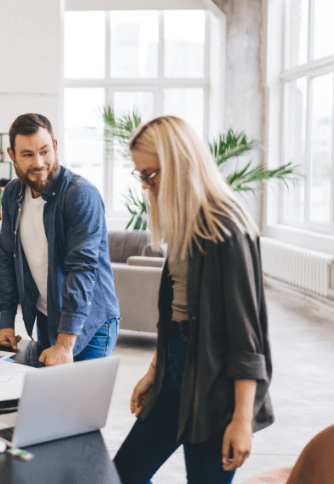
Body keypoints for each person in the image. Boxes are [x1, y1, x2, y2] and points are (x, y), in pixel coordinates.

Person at [113, 116, 273, 483]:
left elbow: (247, 339)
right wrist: (156, 371)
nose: (145, 186)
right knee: (123, 475)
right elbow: (175, 313)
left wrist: (242, 419)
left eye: (151, 174)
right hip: (176, 369)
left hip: (215, 387)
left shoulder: (226, 228)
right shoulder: (185, 220)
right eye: (140, 175)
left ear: (179, 163)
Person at [0, 113, 120, 365]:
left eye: (44, 151)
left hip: (90, 321)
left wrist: (64, 345)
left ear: (54, 146)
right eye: (27, 154)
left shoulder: (80, 195)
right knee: (47, 399)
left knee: (78, 403)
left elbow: (82, 269)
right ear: (12, 155)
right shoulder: (11, 195)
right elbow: (7, 258)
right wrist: (6, 322)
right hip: (47, 315)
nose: (38, 162)